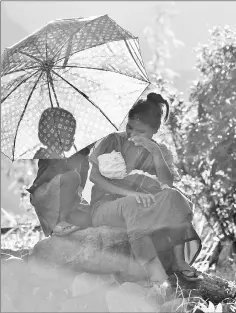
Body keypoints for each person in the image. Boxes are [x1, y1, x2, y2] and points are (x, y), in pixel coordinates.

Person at [89, 92, 202, 285]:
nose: (132, 134)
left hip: (146, 205)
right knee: (132, 205)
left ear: (154, 131)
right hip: (107, 207)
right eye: (130, 127)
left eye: (140, 131)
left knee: (174, 197)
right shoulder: (113, 141)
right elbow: (94, 176)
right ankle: (156, 276)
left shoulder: (161, 151)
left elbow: (167, 185)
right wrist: (129, 193)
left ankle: (179, 260)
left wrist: (155, 152)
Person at [27, 107, 93, 237]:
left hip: (56, 195)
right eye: (70, 135)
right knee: (73, 177)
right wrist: (85, 150)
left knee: (87, 218)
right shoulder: (46, 153)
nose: (73, 139)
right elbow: (65, 168)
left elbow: (77, 179)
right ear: (57, 135)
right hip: (44, 193)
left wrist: (84, 159)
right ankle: (60, 222)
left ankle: (64, 223)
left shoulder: (61, 155)